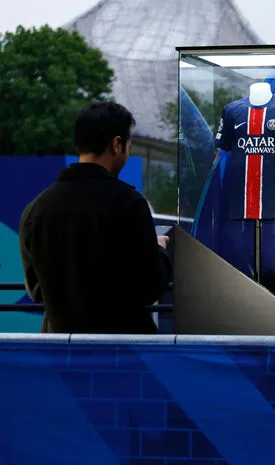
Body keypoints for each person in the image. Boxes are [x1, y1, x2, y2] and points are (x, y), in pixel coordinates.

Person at [19, 102, 172, 334]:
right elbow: (150, 287)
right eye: (129, 145)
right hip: (121, 346)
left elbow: (37, 290)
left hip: (59, 345)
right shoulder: (129, 204)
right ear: (117, 144)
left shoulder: (36, 209)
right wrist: (158, 250)